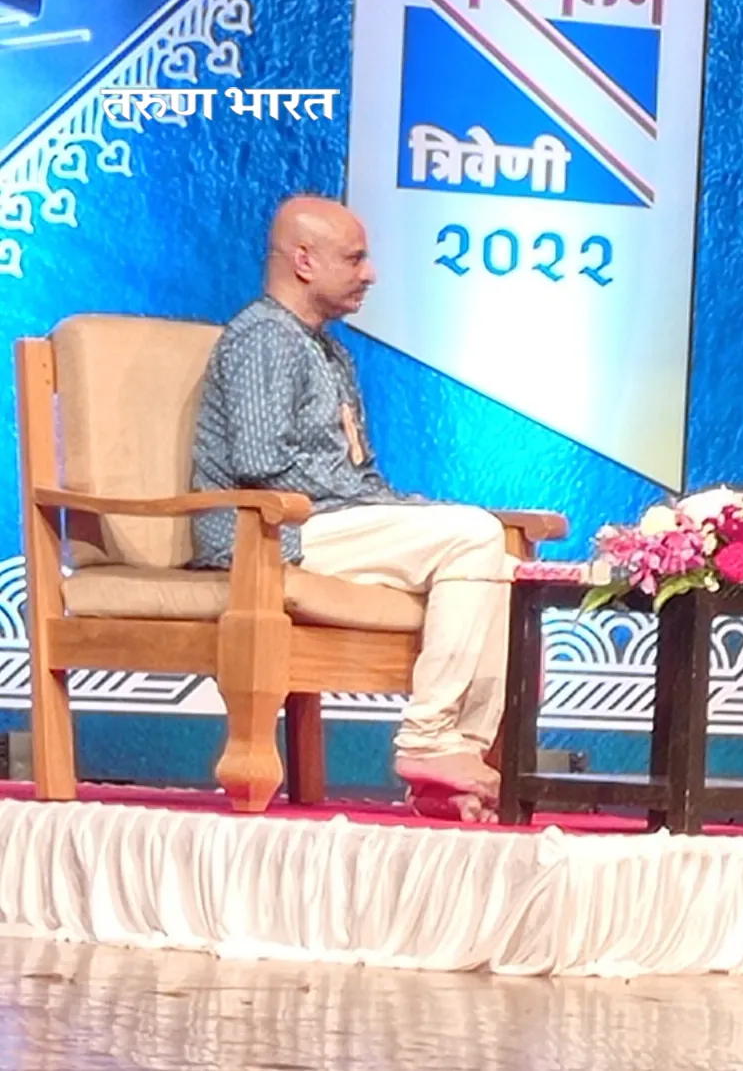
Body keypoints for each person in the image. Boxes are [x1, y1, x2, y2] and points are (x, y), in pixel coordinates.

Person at [190, 195, 518, 823]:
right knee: (473, 535)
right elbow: (262, 463)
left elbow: (356, 474)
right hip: (267, 533)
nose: (370, 274)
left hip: (324, 522)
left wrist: (404, 507)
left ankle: (453, 758)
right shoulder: (264, 338)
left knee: (494, 554)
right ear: (304, 261)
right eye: (355, 258)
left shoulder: (329, 352)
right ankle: (427, 738)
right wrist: (384, 507)